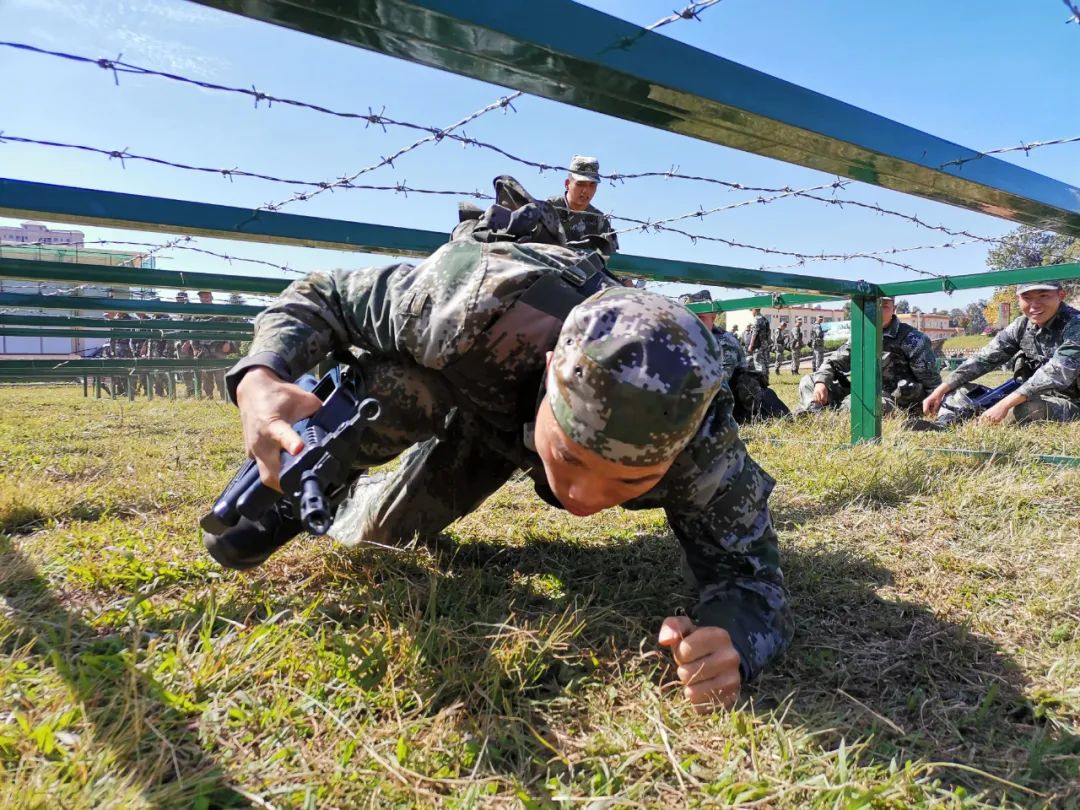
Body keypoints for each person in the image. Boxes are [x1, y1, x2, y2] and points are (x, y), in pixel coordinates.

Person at [205, 193, 792, 713]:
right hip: (477, 389)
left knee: (383, 527)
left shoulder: (703, 446)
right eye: (572, 460)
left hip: (517, 418)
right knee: (387, 403)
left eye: (628, 483)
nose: (584, 502)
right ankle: (315, 477)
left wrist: (730, 640)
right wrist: (262, 377)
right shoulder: (467, 306)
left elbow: (752, 581)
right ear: (546, 377)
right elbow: (325, 293)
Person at [922, 281, 1079, 425]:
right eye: (1027, 297)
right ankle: (944, 423)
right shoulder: (1022, 325)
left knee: (1021, 410)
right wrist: (940, 389)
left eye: (1043, 296)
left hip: (1071, 401)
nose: (1034, 305)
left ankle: (978, 423)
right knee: (958, 391)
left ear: (1061, 295)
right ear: (1018, 299)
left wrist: (1004, 404)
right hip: (1029, 394)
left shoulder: (1075, 325)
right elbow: (984, 358)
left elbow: (1056, 373)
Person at [795, 296, 941, 415]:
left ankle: (832, 414)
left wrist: (934, 407)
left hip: (894, 399)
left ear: (893, 309)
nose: (877, 310)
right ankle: (815, 411)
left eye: (883, 305)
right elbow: (834, 362)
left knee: (860, 403)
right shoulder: (861, 334)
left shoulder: (912, 339)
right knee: (809, 380)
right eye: (873, 305)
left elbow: (931, 383)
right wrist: (821, 382)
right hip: (860, 391)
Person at [679, 290, 790, 424]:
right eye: (688, 317)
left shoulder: (724, 342)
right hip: (699, 395)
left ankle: (759, 416)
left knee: (745, 382)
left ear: (713, 317)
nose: (693, 323)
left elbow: (718, 381)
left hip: (730, 397)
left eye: (700, 318)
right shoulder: (679, 339)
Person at [546, 155, 619, 256]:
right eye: (580, 184)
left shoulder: (600, 221)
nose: (586, 190)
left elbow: (610, 260)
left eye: (592, 185)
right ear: (567, 184)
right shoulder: (548, 209)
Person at [173, 291, 197, 398]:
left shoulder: (190, 311)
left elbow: (193, 328)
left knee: (194, 368)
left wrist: (188, 341)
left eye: (181, 298)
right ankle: (190, 389)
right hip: (179, 345)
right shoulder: (177, 313)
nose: (179, 300)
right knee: (184, 369)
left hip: (191, 345)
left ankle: (197, 390)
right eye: (178, 298)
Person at [746, 308, 771, 382]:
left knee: (758, 363)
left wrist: (751, 345)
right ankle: (766, 380)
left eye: (752, 311)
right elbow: (768, 333)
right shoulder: (765, 319)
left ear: (755, 310)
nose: (752, 312)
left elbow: (754, 333)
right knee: (766, 363)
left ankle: (761, 382)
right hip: (765, 344)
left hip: (758, 345)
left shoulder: (757, 319)